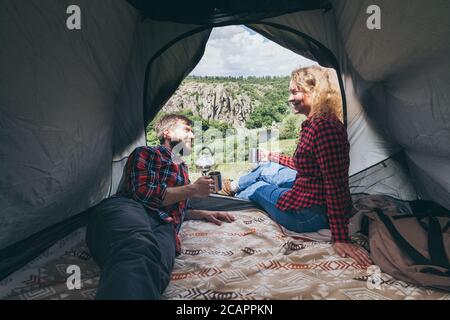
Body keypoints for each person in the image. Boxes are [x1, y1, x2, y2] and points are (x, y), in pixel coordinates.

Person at [222, 66, 371, 267]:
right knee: (265, 168)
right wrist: (272, 156)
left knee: (258, 188)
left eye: (294, 92)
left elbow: (335, 183)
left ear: (314, 92)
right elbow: (309, 165)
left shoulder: (324, 127)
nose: (289, 98)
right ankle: (231, 186)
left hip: (308, 215)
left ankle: (227, 199)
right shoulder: (315, 123)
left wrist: (340, 238)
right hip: (308, 195)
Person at [86, 114, 235, 299]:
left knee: (158, 270)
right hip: (129, 208)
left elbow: (169, 204)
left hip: (166, 225)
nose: (193, 135)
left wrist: (199, 213)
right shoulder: (146, 153)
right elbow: (143, 194)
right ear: (167, 133)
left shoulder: (182, 168)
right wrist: (192, 189)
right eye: (187, 130)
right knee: (137, 247)